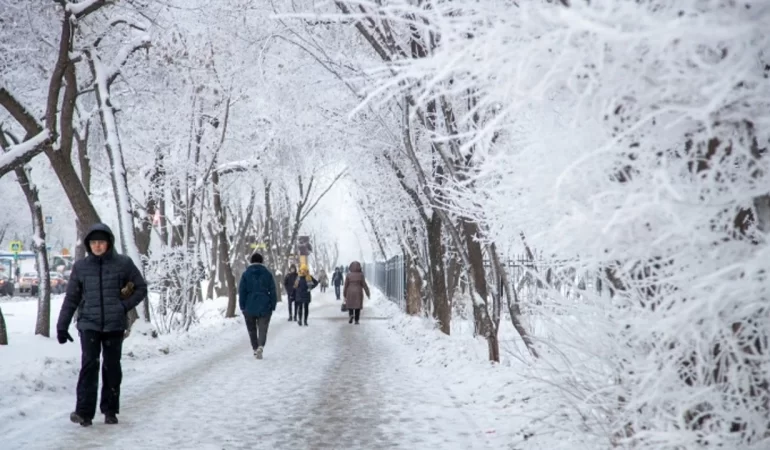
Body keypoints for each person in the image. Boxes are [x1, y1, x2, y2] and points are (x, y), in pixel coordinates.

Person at [56, 223, 148, 427]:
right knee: (89, 365)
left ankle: (110, 410)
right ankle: (83, 412)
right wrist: (62, 325)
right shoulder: (81, 267)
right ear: (89, 245)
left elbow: (141, 287)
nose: (97, 246)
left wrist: (123, 306)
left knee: (111, 367)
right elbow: (72, 297)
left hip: (114, 324)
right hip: (89, 323)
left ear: (109, 243)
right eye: (94, 242)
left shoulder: (123, 264)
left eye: (101, 242)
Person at [239, 252, 278, 360]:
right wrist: (273, 304)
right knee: (263, 328)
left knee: (251, 329)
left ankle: (255, 347)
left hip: (249, 304)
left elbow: (242, 291)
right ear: (262, 261)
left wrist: (242, 305)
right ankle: (261, 346)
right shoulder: (267, 274)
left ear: (251, 261)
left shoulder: (246, 274)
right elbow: (273, 290)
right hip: (265, 304)